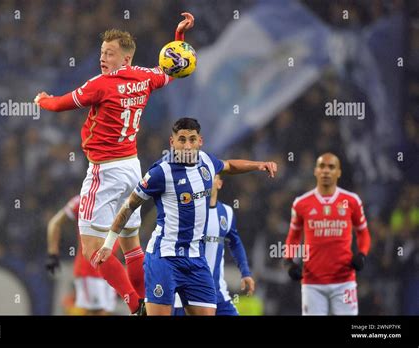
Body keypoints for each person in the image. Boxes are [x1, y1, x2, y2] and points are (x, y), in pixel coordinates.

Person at [34, 13, 195, 314]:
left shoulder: (101, 84)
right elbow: (172, 69)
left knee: (92, 249)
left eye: (110, 53)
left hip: (104, 171)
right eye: (101, 53)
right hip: (132, 168)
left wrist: (42, 99)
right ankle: (146, 300)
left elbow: (59, 105)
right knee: (131, 244)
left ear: (126, 58)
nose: (103, 58)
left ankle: (135, 305)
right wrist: (179, 37)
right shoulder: (146, 77)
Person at [93, 117, 277, 315]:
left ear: (200, 141)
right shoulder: (160, 172)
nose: (187, 145)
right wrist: (108, 243)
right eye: (182, 139)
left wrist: (258, 165)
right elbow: (128, 206)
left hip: (195, 260)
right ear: (172, 142)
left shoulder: (207, 161)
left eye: (192, 139)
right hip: (164, 259)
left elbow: (230, 166)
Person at [284, 153, 371, 315]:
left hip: (344, 280)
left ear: (339, 172)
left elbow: (363, 232)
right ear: (315, 171)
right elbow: (294, 236)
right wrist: (289, 262)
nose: (326, 171)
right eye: (322, 166)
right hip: (312, 282)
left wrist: (362, 255)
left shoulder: (352, 201)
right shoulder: (301, 203)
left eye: (331, 167)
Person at [173, 174, 255, 316]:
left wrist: (245, 272)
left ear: (219, 184)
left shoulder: (227, 212)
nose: (206, 180)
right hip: (187, 293)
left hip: (217, 292)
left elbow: (235, 242)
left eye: (211, 176)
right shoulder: (188, 211)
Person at [46, 195, 117, 315]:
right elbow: (55, 223)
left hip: (110, 272)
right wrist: (53, 253)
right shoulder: (82, 200)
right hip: (89, 270)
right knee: (97, 312)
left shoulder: (122, 200)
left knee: (104, 312)